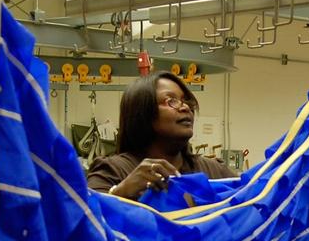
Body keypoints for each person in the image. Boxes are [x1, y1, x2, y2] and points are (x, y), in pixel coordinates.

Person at [86, 71, 237, 200]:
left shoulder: (214, 171)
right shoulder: (113, 171)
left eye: (186, 101)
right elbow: (87, 217)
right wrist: (120, 192)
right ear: (142, 112)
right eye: (171, 100)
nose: (185, 107)